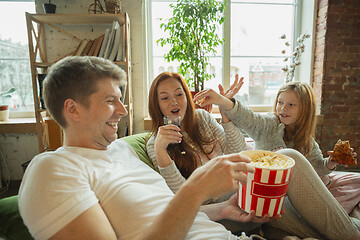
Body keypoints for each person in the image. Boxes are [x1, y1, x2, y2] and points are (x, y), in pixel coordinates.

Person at [18, 56, 272, 240]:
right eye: (110, 101)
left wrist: (223, 209)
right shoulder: (53, 168)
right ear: (73, 109)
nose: (123, 110)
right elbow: (181, 200)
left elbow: (166, 210)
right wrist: (197, 189)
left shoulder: (122, 151)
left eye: (120, 99)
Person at [193, 75, 360, 237]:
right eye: (280, 102)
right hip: (255, 195)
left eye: (291, 104)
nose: (282, 108)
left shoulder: (308, 142)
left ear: (305, 109)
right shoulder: (269, 125)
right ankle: (350, 232)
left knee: (289, 219)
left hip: (279, 202)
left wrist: (332, 161)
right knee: (287, 157)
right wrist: (222, 101)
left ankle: (347, 230)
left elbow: (318, 168)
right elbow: (248, 118)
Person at [146, 72, 248, 201]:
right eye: (165, 98)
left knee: (281, 156)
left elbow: (240, 154)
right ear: (156, 105)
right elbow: (181, 197)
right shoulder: (155, 144)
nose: (174, 102)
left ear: (186, 97)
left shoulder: (202, 117)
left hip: (239, 184)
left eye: (179, 94)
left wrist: (225, 112)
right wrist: (160, 150)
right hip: (219, 202)